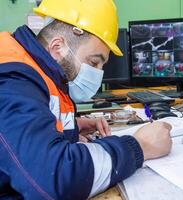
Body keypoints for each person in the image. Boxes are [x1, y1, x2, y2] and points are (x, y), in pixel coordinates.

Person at [0, 0, 172, 199]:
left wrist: (70, 128)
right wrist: (139, 147)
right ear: (57, 47)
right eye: (94, 62)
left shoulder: (38, 69)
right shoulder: (12, 81)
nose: (98, 73)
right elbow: (56, 180)